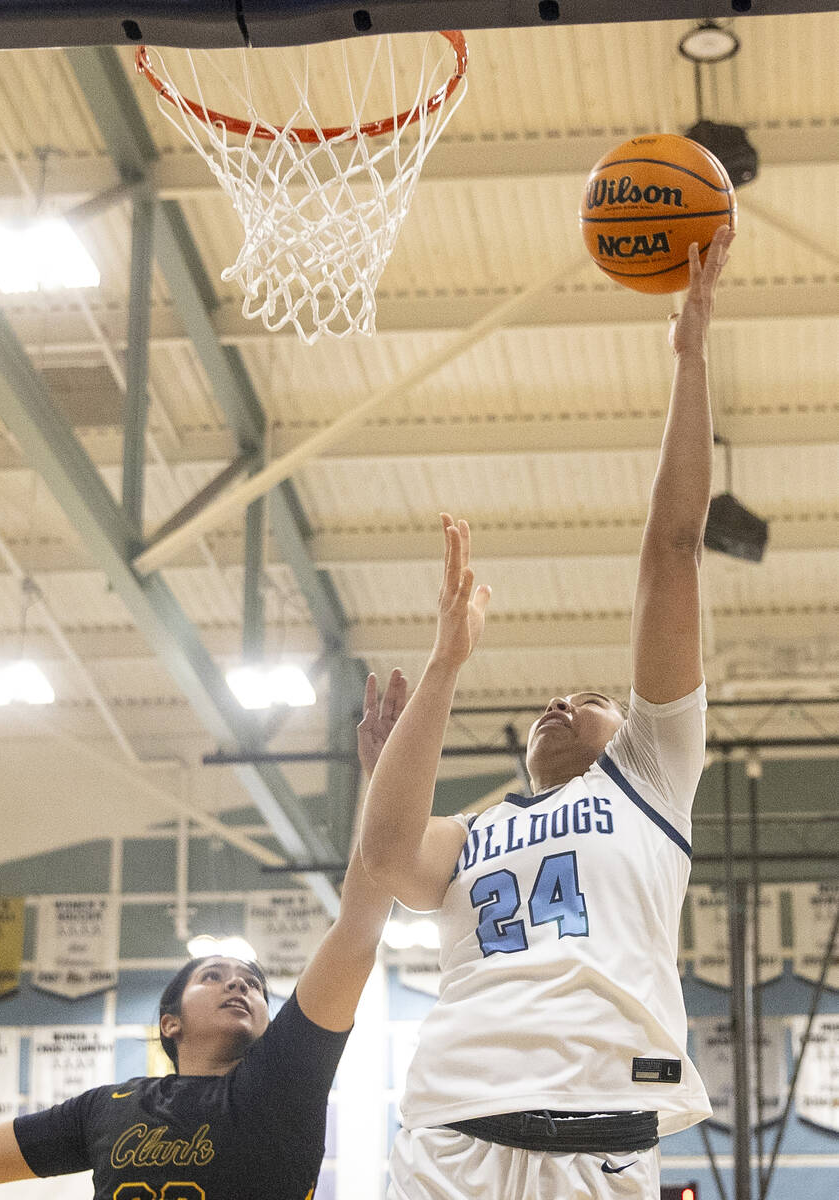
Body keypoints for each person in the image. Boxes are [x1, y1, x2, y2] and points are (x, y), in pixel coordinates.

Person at [359, 226, 735, 1200]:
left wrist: (691, 360)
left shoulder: (650, 775)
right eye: (549, 702)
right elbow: (388, 854)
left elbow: (673, 552)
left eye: (594, 699)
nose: (562, 702)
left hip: (601, 1140)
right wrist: (445, 663)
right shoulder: (475, 832)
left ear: (635, 725)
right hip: (452, 1139)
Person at [0, 670, 407, 1200]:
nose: (239, 983)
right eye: (213, 976)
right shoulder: (109, 1108)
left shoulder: (282, 1079)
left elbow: (355, 931)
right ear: (170, 1024)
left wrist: (383, 782)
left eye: (254, 985)